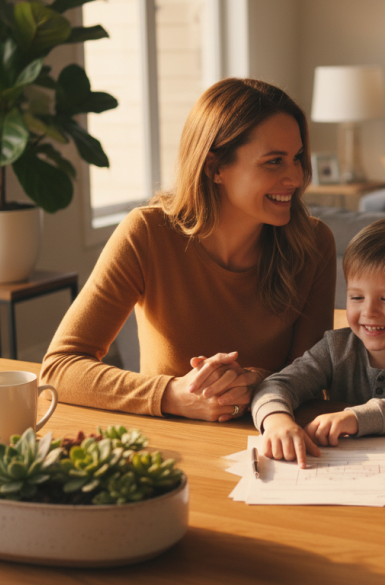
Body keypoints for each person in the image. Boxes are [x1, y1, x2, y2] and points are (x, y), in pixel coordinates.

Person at [41, 78, 336, 423]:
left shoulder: (313, 243)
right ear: (215, 167)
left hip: (270, 439)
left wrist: (253, 381)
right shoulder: (147, 234)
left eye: (297, 158)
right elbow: (59, 367)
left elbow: (314, 377)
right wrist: (173, 395)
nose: (296, 177)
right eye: (274, 161)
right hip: (168, 441)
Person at [252, 218, 385, 467]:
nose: (368, 311)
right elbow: (276, 385)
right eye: (357, 296)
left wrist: (355, 417)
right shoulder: (335, 348)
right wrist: (276, 420)